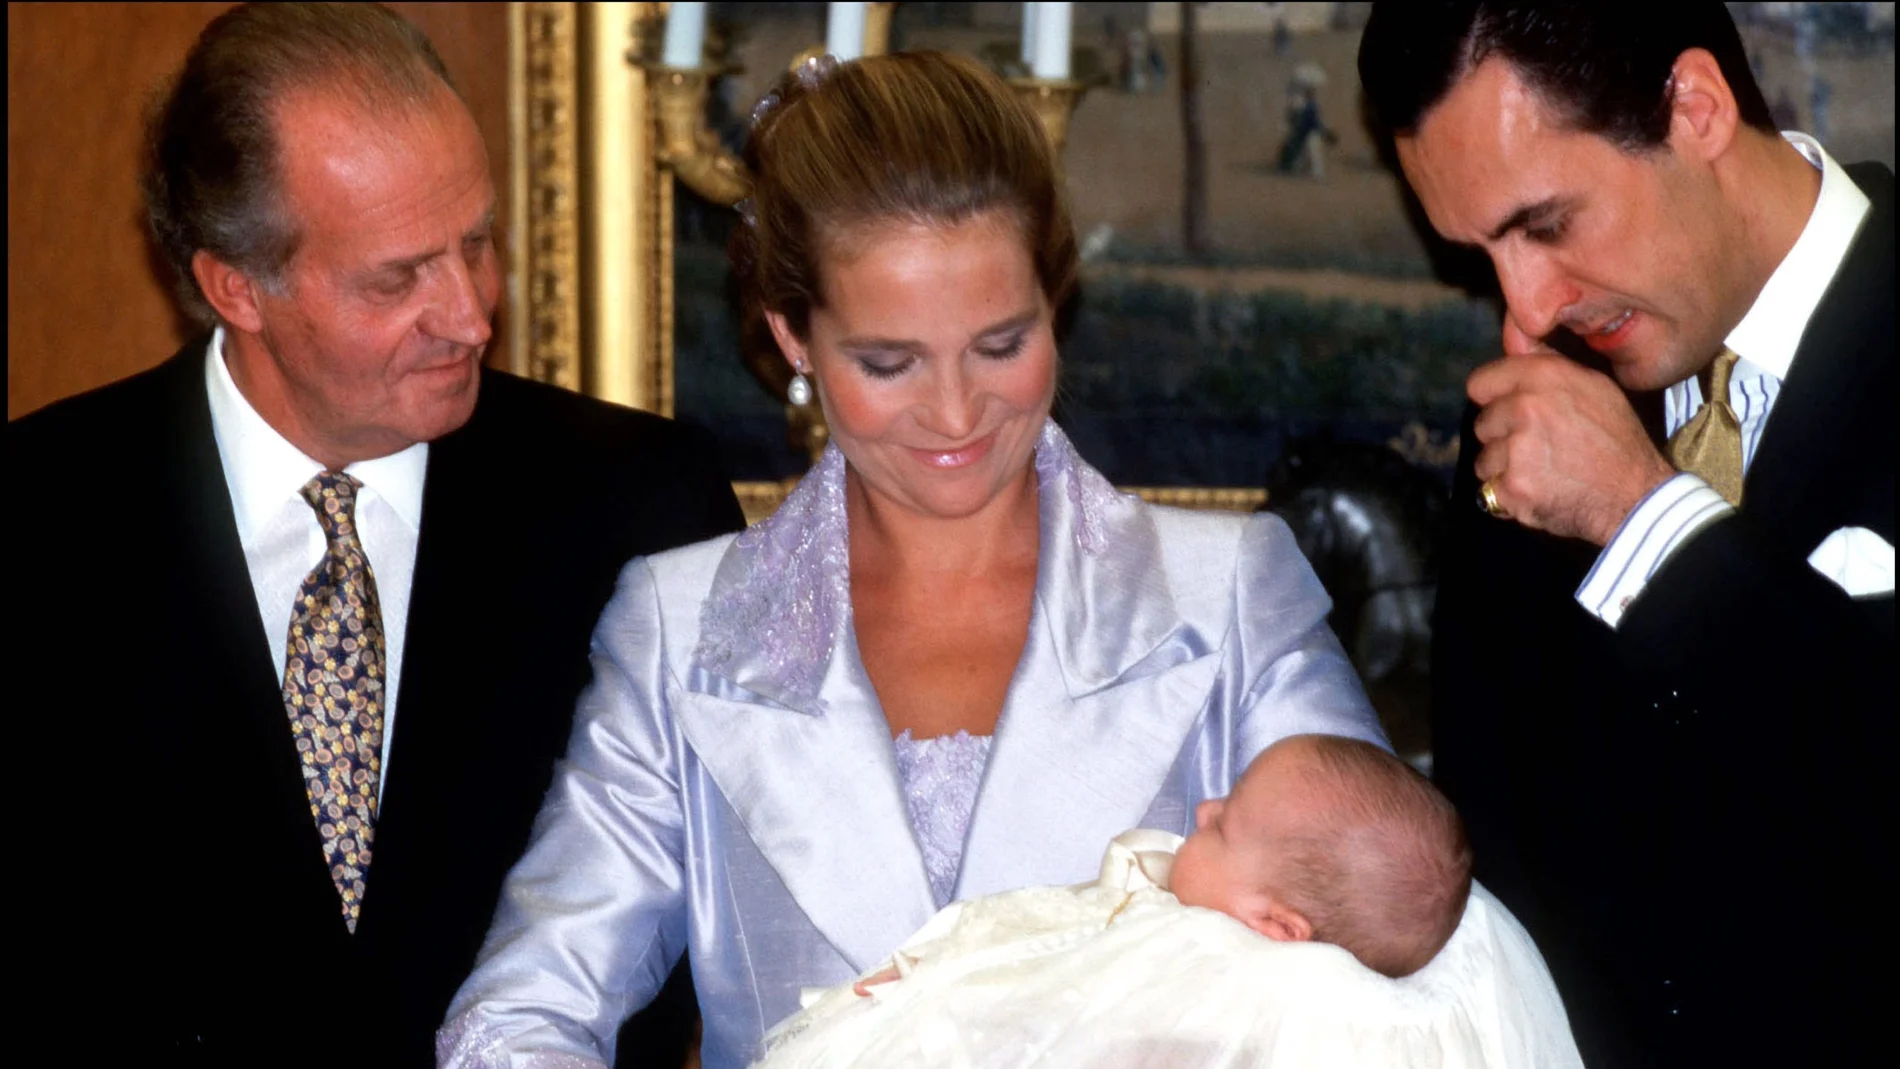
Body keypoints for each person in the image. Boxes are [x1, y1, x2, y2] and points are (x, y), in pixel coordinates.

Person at [437, 51, 1383, 1069]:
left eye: (1000, 343)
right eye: (888, 362)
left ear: (1054, 298)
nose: (954, 411)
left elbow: (1394, 981)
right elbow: (518, 1020)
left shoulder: (1227, 595)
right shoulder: (681, 627)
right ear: (793, 336)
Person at [8, 4, 742, 1065]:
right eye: (397, 277)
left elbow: (690, 936)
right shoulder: (37, 518)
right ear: (235, 286)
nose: (471, 314)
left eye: (476, 243)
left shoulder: (639, 508)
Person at [1357, 4, 1894, 1066]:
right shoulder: (1536, 415)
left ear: (1693, 108)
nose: (1526, 305)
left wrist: (1647, 525)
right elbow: (1501, 871)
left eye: (1546, 224)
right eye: (1481, 254)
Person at [752, 735, 1581, 1069]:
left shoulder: (1225, 984)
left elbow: (1042, 1021)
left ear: (1279, 928)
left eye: (1226, 829)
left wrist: (921, 996)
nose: (1204, 811)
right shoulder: (1214, 914)